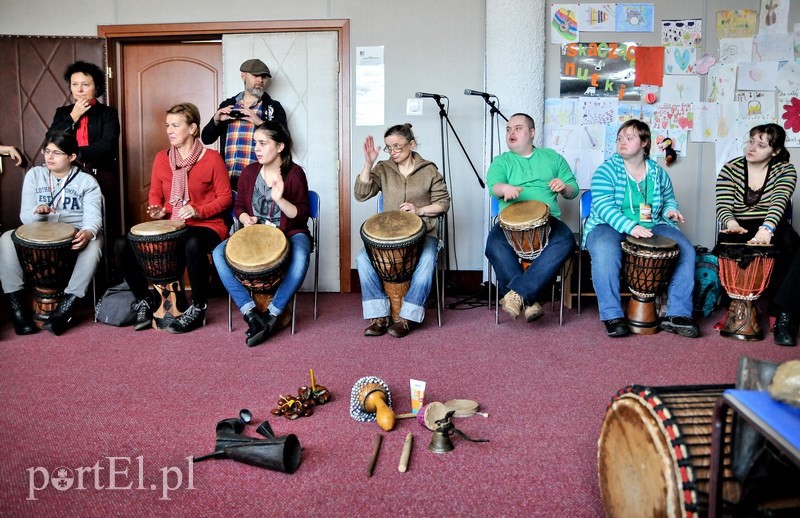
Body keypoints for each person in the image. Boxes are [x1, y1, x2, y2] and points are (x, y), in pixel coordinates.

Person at [115, 103, 232, 334]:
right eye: (167, 125)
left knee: (191, 241)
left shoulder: (212, 159)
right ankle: (144, 300)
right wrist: (157, 210)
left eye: (175, 125)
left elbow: (226, 198)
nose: (169, 130)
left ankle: (198, 307)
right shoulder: (162, 158)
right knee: (121, 244)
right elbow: (156, 195)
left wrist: (199, 211)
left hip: (207, 225)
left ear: (192, 128)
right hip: (172, 224)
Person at [584, 120, 698, 338]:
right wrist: (631, 226)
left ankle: (678, 315)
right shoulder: (605, 171)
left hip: (651, 223)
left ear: (645, 142)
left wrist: (671, 212)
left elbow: (669, 200)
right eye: (619, 138)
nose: (622, 142)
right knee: (605, 251)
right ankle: (612, 316)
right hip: (607, 224)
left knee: (685, 249)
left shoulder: (658, 173)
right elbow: (603, 206)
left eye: (629, 137)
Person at [212, 121, 311, 347]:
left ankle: (272, 315)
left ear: (280, 146)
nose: (256, 148)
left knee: (301, 257)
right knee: (219, 253)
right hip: (256, 235)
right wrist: (245, 218)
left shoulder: (295, 174)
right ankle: (250, 313)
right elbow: (239, 207)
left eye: (263, 143)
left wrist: (280, 199)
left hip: (290, 231)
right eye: (255, 143)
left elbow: (301, 215)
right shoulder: (249, 173)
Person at [0, 131, 103, 336]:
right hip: (37, 237)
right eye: (47, 151)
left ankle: (65, 309)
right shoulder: (35, 175)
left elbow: (93, 220)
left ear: (72, 157)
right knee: (5, 238)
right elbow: (24, 217)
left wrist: (88, 233)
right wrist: (38, 214)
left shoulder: (86, 182)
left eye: (57, 153)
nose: (49, 157)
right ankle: (18, 310)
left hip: (71, 237)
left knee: (96, 242)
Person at [354, 123, 450, 338]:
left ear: (412, 144)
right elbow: (361, 194)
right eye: (389, 148)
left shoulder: (429, 170)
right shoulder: (383, 168)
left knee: (426, 261)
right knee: (362, 258)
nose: (393, 152)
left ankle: (407, 317)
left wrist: (420, 210)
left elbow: (443, 203)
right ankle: (379, 315)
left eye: (397, 146)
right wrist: (368, 164)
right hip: (389, 238)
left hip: (424, 233)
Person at [485, 113, 578, 323]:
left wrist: (564, 187)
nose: (511, 132)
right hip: (510, 223)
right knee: (494, 245)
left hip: (547, 220)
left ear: (532, 133)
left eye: (518, 128)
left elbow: (573, 190)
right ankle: (531, 300)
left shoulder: (552, 157)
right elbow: (494, 186)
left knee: (566, 240)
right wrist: (504, 188)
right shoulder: (502, 161)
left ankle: (518, 294)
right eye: (508, 129)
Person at [716, 123, 799, 346]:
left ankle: (784, 314)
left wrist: (767, 230)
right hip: (739, 225)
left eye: (761, 145)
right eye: (751, 141)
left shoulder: (785, 170)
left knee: (793, 247)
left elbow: (779, 202)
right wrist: (731, 223)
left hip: (772, 224)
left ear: (775, 151)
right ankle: (738, 308)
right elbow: (723, 205)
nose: (752, 147)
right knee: (731, 246)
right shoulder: (730, 168)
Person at [49, 61, 121, 243]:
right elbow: (52, 139)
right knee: (68, 215)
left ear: (96, 88)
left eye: (85, 84)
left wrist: (75, 154)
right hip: (67, 173)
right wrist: (74, 115)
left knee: (103, 219)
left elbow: (108, 144)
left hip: (101, 171)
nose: (79, 89)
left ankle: (106, 262)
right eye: (75, 84)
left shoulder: (108, 113)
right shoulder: (63, 112)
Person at [201, 59, 288, 189]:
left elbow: (284, 139)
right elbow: (206, 139)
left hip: (260, 179)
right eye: (256, 75)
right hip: (227, 179)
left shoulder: (273, 107)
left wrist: (259, 122)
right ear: (243, 76)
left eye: (263, 77)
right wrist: (216, 120)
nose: (260, 80)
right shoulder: (228, 105)